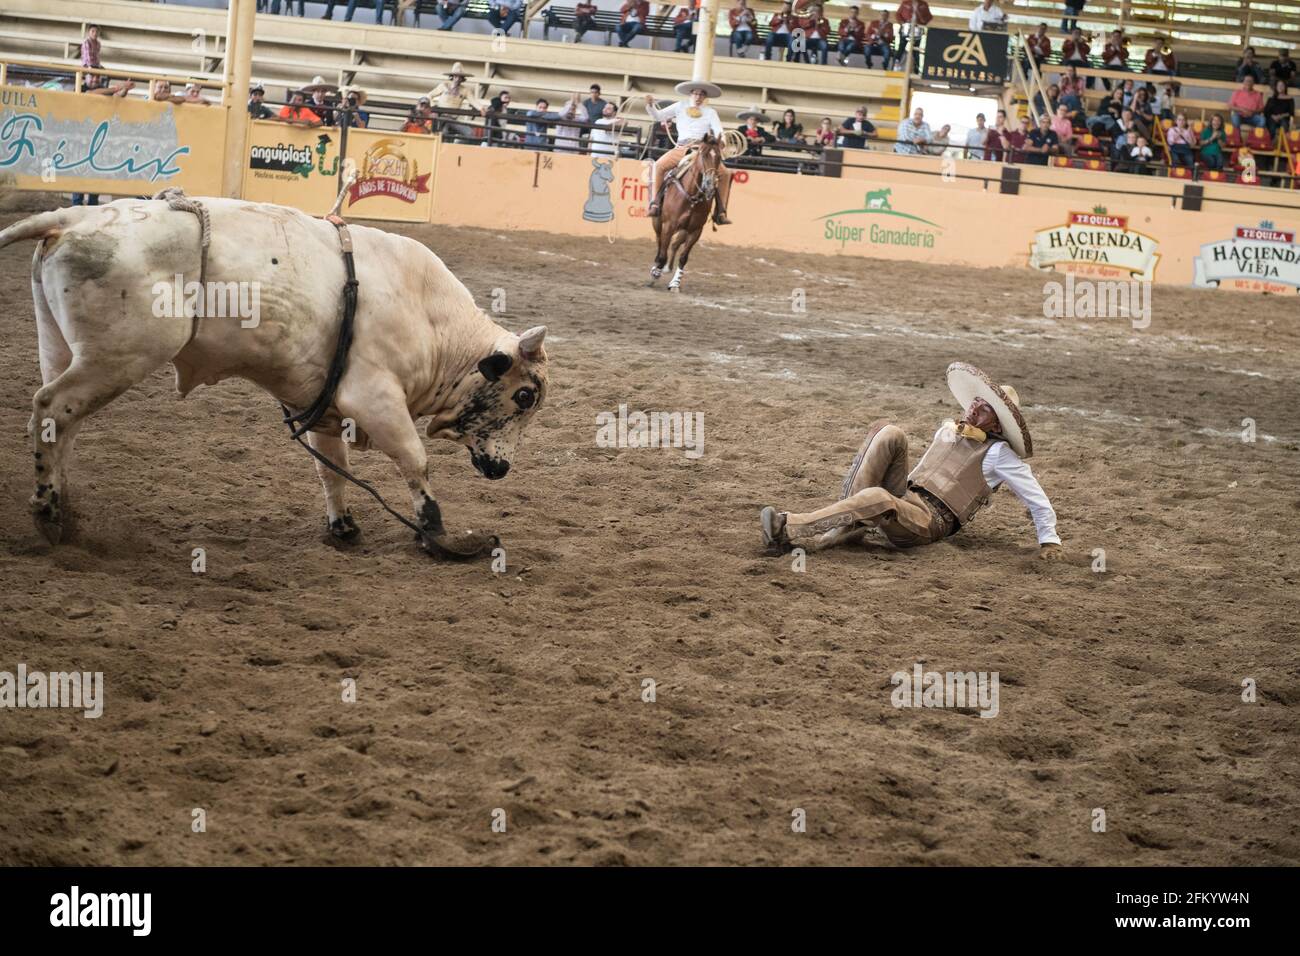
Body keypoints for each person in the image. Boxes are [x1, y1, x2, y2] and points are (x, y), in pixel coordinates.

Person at [759, 364, 1062, 561]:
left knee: (878, 497)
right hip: (909, 495)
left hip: (932, 521)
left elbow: (1035, 496)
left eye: (986, 408)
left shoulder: (999, 455)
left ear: (997, 426)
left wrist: (1049, 540)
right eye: (977, 401)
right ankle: (852, 519)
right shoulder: (947, 429)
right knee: (891, 433)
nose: (974, 408)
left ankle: (789, 528)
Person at [643, 80, 733, 224]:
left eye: (702, 94)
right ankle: (655, 203)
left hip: (702, 150)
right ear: (691, 94)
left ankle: (720, 212)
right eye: (696, 93)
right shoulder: (680, 105)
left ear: (705, 97)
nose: (698, 97)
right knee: (659, 166)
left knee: (725, 174)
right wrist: (650, 105)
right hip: (681, 148)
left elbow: (719, 130)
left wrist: (721, 141)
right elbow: (658, 116)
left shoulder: (710, 112)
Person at [895, 0, 932, 70]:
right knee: (901, 47)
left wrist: (922, 22)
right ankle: (896, 65)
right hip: (905, 29)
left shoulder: (923, 4)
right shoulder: (905, 2)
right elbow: (897, 14)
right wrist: (903, 23)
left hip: (917, 29)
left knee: (916, 50)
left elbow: (929, 17)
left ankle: (917, 68)